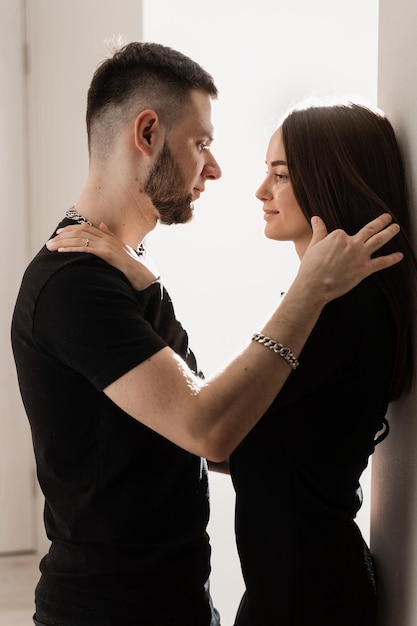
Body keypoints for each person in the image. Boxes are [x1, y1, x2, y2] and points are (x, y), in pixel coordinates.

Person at [11, 40, 402, 626]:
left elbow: (216, 420)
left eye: (278, 172)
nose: (216, 170)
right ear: (147, 134)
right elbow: (210, 428)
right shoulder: (75, 283)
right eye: (202, 144)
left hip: (181, 602)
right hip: (109, 612)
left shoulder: (124, 277)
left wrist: (147, 282)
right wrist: (309, 289)